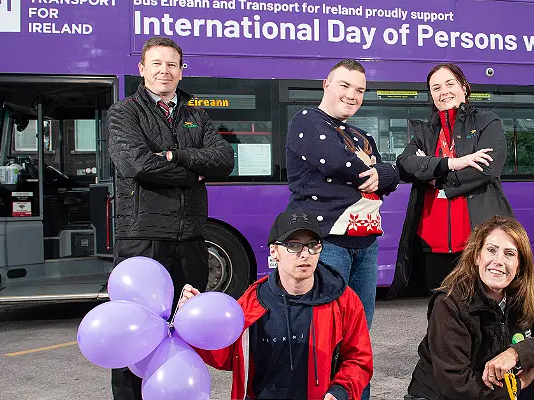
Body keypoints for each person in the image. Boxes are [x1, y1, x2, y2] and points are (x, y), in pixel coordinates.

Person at [106, 36, 235, 400]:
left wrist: (173, 156)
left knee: (185, 328)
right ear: (142, 69)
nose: (165, 70)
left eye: (172, 64)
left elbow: (224, 160)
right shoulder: (124, 112)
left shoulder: (196, 114)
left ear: (181, 71)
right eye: (157, 63)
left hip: (191, 236)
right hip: (142, 237)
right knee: (134, 332)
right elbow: (135, 164)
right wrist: (193, 171)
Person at [183, 209, 373, 400]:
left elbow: (359, 359)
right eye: (293, 245)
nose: (305, 254)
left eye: (312, 245)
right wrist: (198, 323)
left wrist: (340, 391)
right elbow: (225, 355)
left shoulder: (343, 299)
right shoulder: (252, 303)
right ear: (274, 251)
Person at [405, 216, 534, 400]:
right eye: (491, 250)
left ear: (519, 265)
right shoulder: (448, 304)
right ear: (477, 256)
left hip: (501, 388)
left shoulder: (524, 297)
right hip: (451, 395)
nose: (499, 261)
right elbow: (457, 386)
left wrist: (517, 353)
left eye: (509, 254)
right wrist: (518, 386)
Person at [285, 59, 400, 331]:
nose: (352, 95)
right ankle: (324, 376)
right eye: (345, 85)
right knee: (327, 327)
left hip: (367, 243)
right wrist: (380, 171)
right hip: (327, 242)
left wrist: (385, 173)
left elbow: (391, 176)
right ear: (326, 85)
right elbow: (339, 162)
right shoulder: (307, 120)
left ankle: (354, 376)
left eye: (359, 90)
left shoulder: (362, 135)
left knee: (360, 327)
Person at [392, 63, 513, 297]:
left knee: (481, 308)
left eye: (450, 84)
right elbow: (406, 164)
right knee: (440, 310)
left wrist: (439, 182)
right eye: (435, 88)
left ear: (464, 87)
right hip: (431, 242)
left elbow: (488, 168)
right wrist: (450, 164)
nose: (443, 91)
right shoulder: (425, 131)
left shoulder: (487, 121)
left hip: (477, 239)